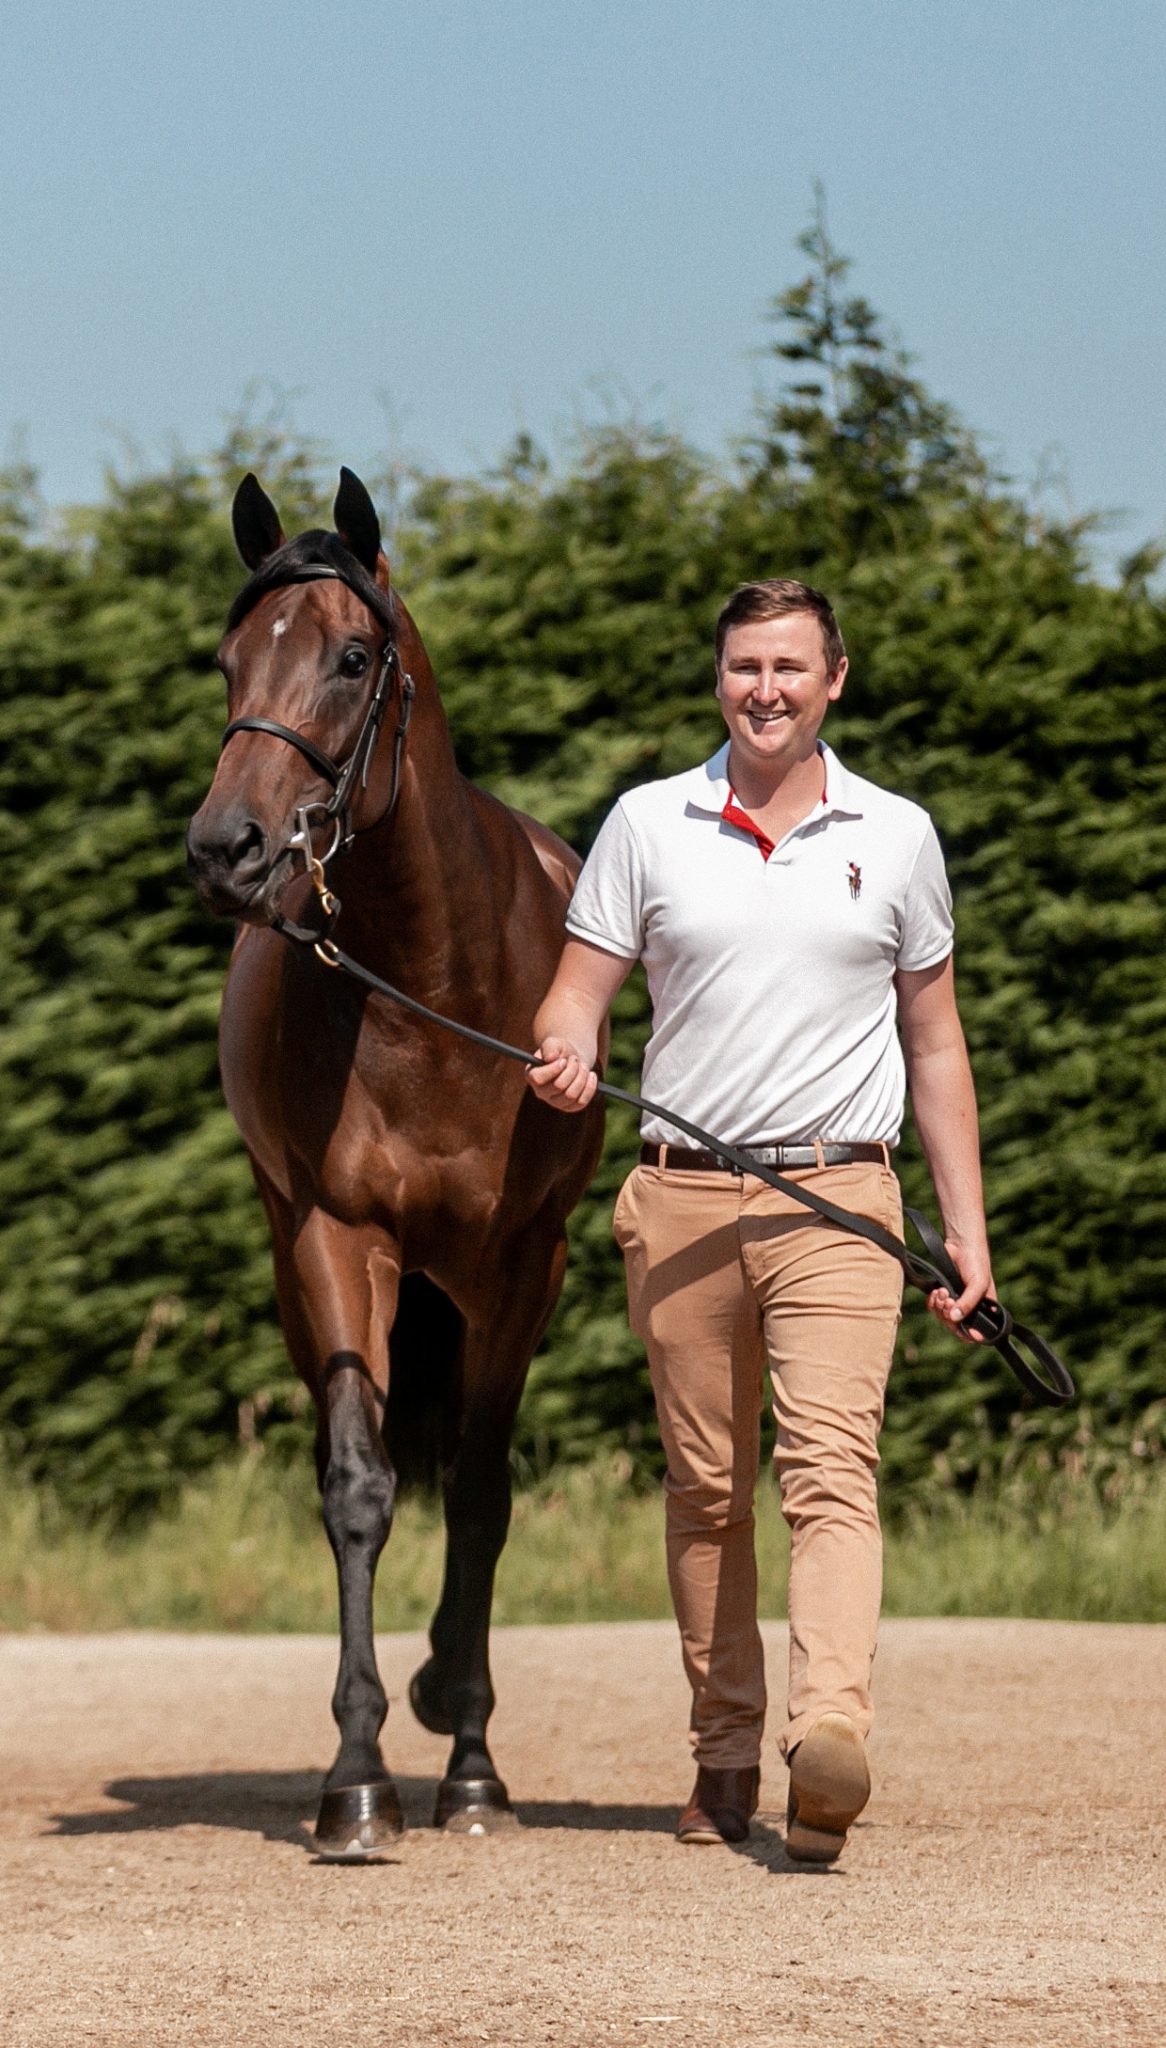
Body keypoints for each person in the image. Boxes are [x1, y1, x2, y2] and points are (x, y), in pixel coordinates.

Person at [526, 578, 993, 1861]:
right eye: (743, 666)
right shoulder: (644, 824)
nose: (765, 688)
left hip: (840, 1194)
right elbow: (574, 998)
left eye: (789, 665)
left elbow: (935, 1043)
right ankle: (723, 1751)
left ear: (832, 677)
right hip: (675, 1196)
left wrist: (968, 1234)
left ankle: (826, 1735)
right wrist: (563, 1050)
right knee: (706, 1486)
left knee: (829, 1470)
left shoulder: (894, 834)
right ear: (718, 678)